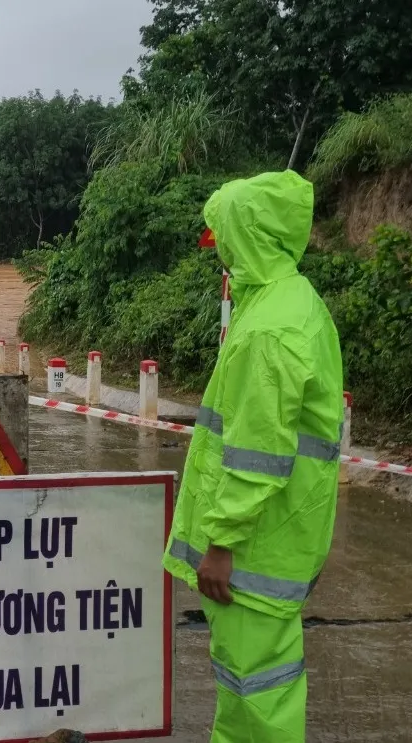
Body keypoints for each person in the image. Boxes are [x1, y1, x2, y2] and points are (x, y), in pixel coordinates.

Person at [162, 170, 342, 743]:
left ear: (244, 237)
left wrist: (220, 545)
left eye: (224, 240)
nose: (220, 256)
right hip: (279, 540)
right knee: (254, 691)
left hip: (252, 553)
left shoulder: (269, 328)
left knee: (257, 697)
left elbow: (257, 455)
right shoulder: (292, 303)